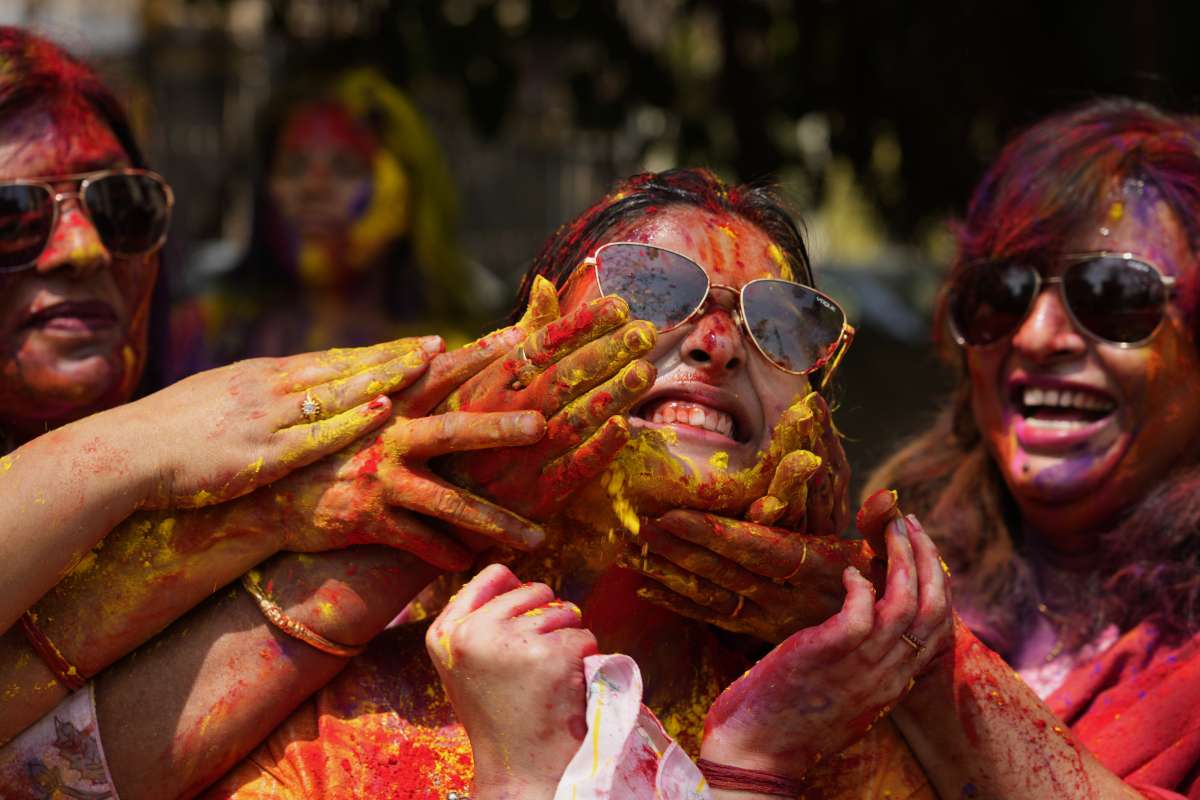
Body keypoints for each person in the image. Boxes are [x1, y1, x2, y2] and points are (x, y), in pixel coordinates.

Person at [176, 168, 948, 800]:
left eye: (777, 323)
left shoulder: (840, 729)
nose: (717, 345)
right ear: (527, 347)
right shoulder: (337, 722)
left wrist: (756, 761)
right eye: (649, 289)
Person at [0, 27, 559, 798]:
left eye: (120, 206)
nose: (84, 247)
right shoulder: (206, 400)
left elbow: (61, 769)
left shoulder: (432, 366)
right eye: (11, 216)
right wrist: (149, 446)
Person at [626, 98, 1200, 798]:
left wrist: (919, 660)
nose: (1038, 335)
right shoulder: (841, 575)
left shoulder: (879, 614)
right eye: (1001, 295)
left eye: (1114, 296)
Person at [174, 66, 484, 374]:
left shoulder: (451, 361)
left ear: (408, 197)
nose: (313, 187)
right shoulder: (200, 334)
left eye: (346, 168)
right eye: (293, 167)